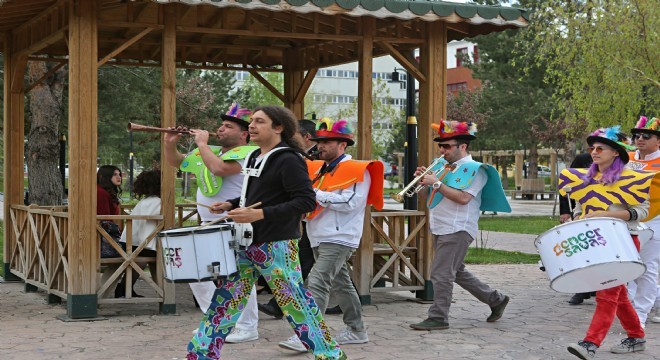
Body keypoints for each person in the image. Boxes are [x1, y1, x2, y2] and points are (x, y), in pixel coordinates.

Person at [187, 106, 347, 360]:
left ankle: (330, 356)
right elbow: (256, 196)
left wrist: (259, 215)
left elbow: (305, 201)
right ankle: (200, 355)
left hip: (277, 245)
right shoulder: (253, 157)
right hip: (244, 242)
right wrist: (232, 204)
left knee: (297, 305)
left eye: (259, 121)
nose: (251, 126)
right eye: (251, 121)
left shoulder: (289, 159)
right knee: (224, 301)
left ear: (278, 127)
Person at [278, 118, 384, 351]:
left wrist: (313, 194)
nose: (320, 146)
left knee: (317, 280)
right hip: (318, 234)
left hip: (340, 236)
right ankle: (357, 330)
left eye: (327, 142)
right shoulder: (320, 169)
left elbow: (351, 202)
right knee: (342, 284)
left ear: (343, 145)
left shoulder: (358, 169)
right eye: (319, 141)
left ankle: (309, 335)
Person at [164, 103, 260, 343]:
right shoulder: (210, 150)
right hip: (208, 223)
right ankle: (217, 321)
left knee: (238, 277)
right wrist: (170, 143)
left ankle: (247, 326)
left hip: (235, 222)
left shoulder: (247, 152)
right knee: (198, 275)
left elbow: (219, 169)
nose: (221, 129)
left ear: (244, 134)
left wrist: (203, 144)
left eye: (228, 126)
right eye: (221, 125)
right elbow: (177, 162)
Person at [409, 119, 511, 331]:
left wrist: (436, 182)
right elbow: (433, 197)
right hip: (440, 225)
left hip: (458, 228)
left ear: (462, 146)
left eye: (447, 146)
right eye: (440, 145)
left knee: (441, 273)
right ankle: (496, 299)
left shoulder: (477, 170)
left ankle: (438, 317)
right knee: (457, 271)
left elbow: (464, 198)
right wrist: (423, 182)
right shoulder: (443, 168)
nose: (441, 149)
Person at [558, 126, 650, 359]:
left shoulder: (632, 180)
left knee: (607, 293)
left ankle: (590, 343)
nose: (594, 152)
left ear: (615, 153)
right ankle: (636, 337)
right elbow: (582, 209)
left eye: (600, 148)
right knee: (616, 293)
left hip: (624, 240)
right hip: (596, 241)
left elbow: (642, 211)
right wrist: (578, 219)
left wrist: (605, 215)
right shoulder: (586, 179)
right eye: (592, 148)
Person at [625, 116, 660, 328]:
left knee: (648, 268)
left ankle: (640, 316)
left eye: (646, 135)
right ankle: (627, 309)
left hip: (655, 220)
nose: (640, 139)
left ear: (658, 141)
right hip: (625, 219)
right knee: (625, 266)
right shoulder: (625, 158)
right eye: (637, 135)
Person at [115, 169, 161, 298]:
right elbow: (154, 216)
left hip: (131, 242)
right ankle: (163, 291)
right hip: (142, 245)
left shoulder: (146, 201)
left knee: (140, 262)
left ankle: (123, 288)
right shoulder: (157, 201)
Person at [559, 152, 596, 305]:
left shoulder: (619, 163)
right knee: (583, 251)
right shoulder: (583, 159)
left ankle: (597, 286)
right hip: (583, 214)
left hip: (607, 216)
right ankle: (583, 289)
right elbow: (567, 184)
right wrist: (566, 211)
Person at [97, 165, 125, 259]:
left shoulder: (105, 192)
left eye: (119, 174)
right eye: (114, 174)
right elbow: (104, 218)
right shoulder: (101, 193)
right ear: (105, 177)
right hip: (103, 240)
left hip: (106, 236)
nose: (119, 177)